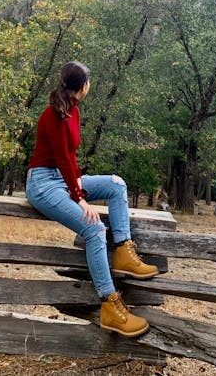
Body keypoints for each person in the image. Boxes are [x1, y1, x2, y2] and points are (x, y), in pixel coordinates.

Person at [26, 61, 159, 337]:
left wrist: (77, 184)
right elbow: (61, 157)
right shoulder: (53, 114)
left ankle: (123, 250)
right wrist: (80, 199)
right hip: (42, 184)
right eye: (89, 81)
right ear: (83, 86)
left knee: (116, 184)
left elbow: (71, 157)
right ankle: (109, 305)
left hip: (63, 179)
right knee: (95, 227)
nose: (90, 85)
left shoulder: (72, 110)